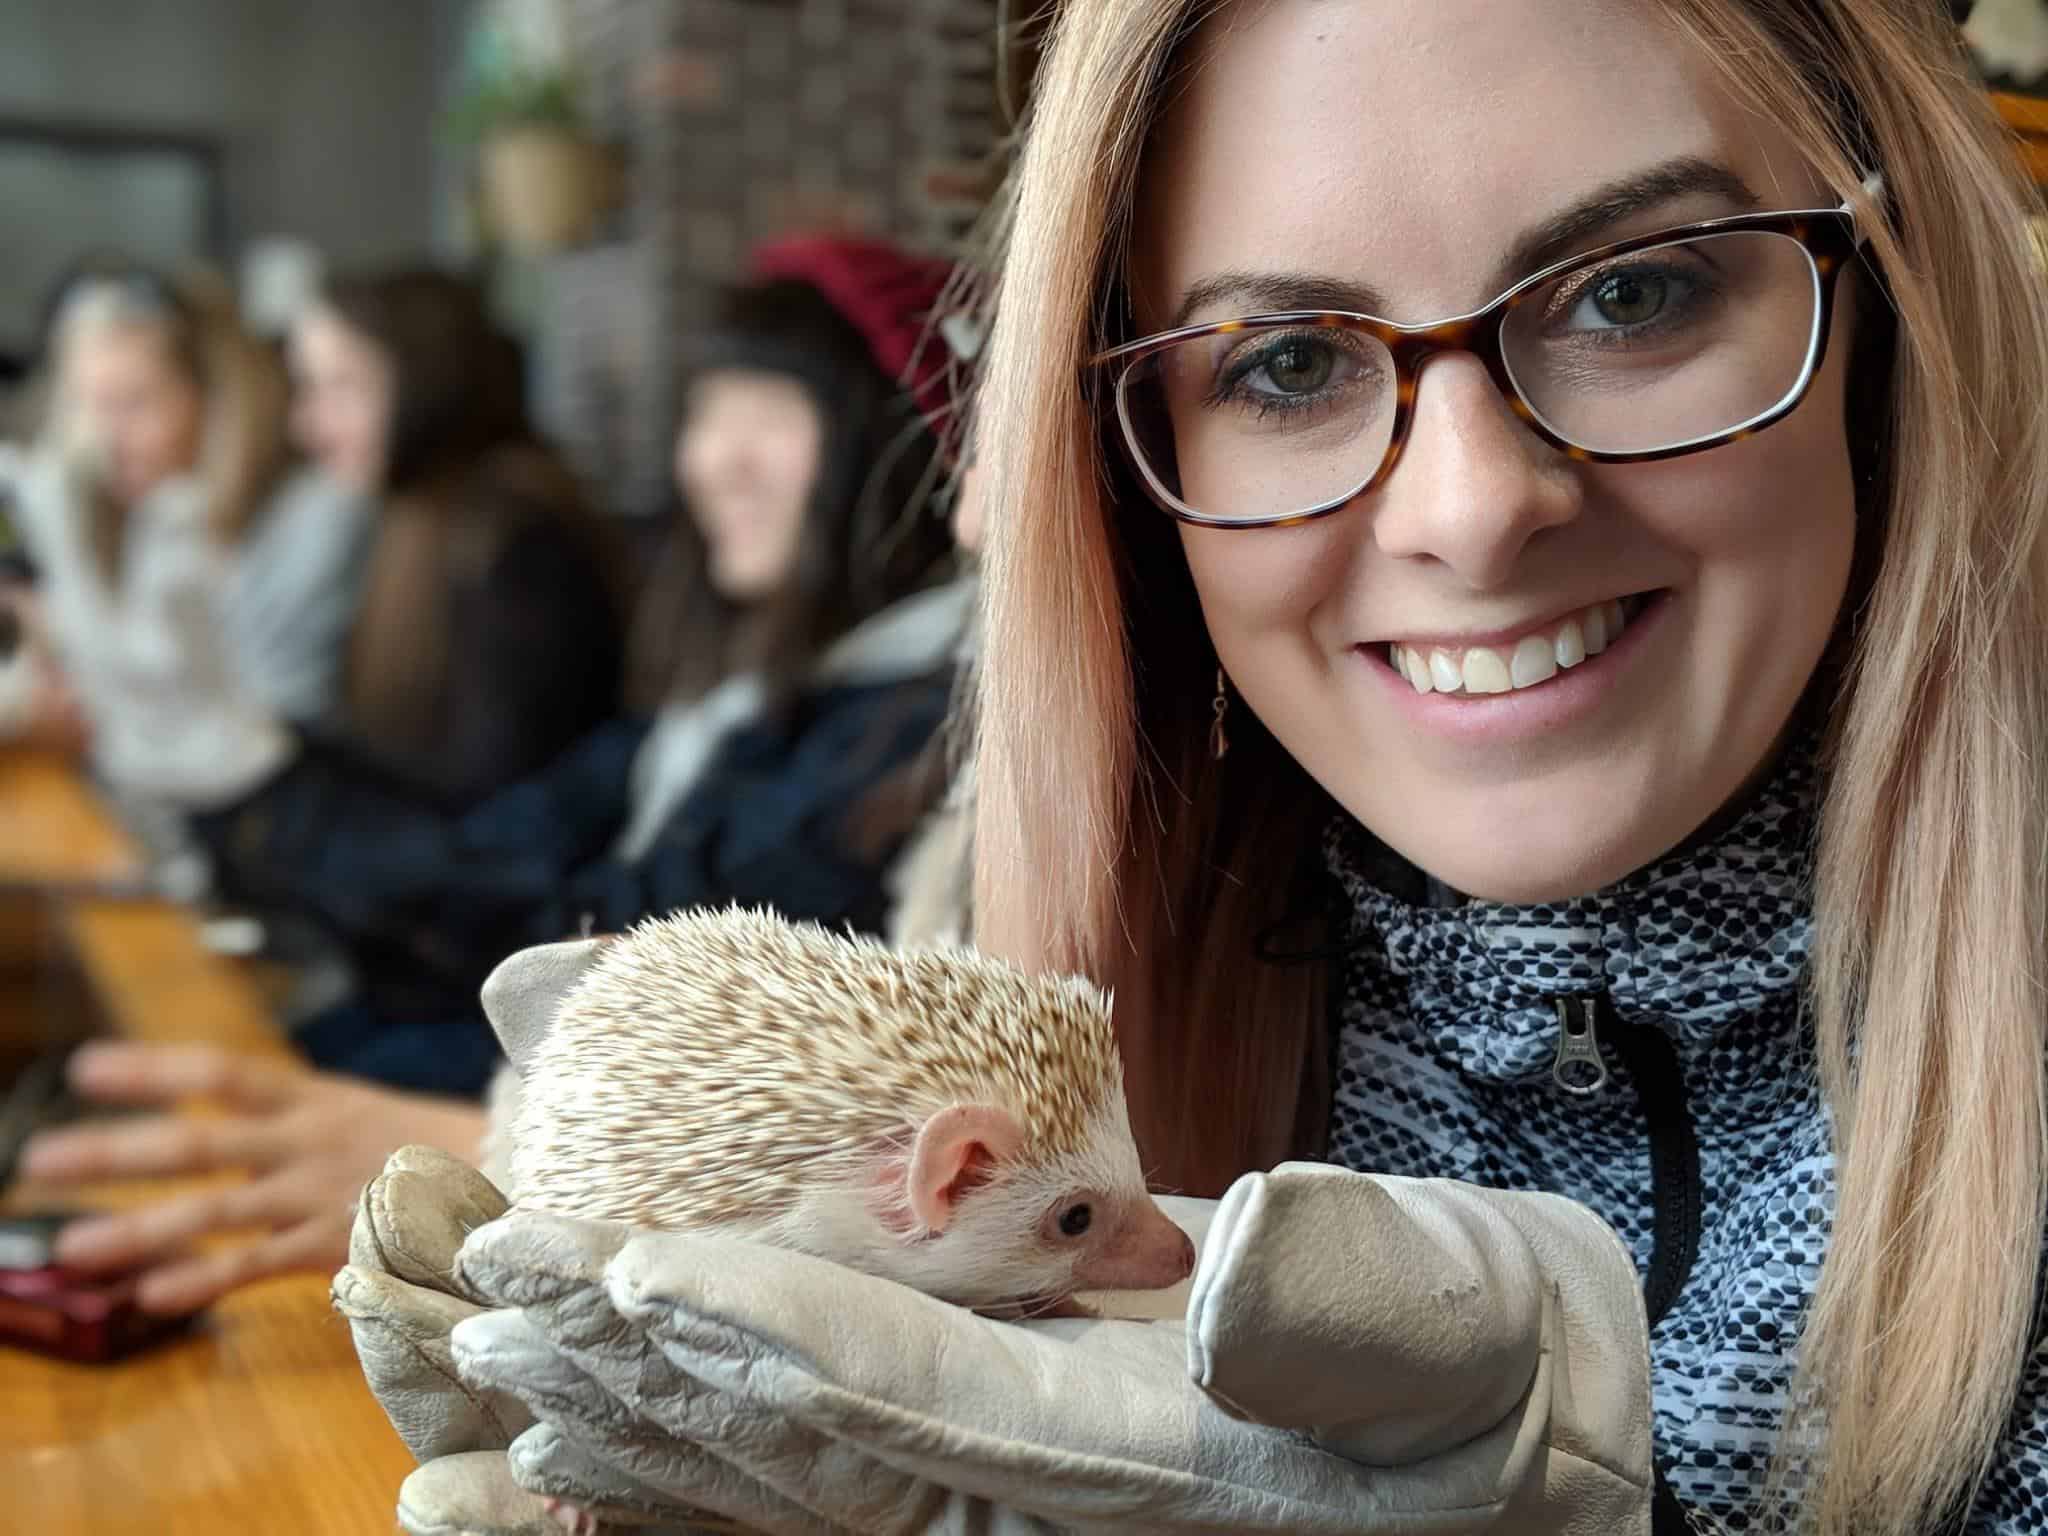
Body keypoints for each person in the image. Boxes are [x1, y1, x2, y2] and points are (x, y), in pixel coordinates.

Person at [309, 2, 2048, 1534]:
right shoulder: (1100, 937)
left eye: (1634, 289)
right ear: (1128, 477)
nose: (1468, 510)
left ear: (1893, 319)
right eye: (1285, 362)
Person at [17, 238, 980, 1307]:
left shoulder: (898, 727)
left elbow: (567, 938)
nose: (713, 460)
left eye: (766, 415)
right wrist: (241, 765)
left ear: (905, 452)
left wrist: (246, 773)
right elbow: (503, 851)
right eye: (706, 414)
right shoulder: (746, 698)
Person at [0, 263, 372, 802]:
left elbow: (264, 729)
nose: (108, 437)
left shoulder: (303, 519)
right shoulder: (98, 508)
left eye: (136, 403)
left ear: (212, 396)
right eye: (92, 403)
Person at [282, 268, 624, 803]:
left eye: (343, 385)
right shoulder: (413, 513)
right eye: (308, 387)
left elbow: (493, 796)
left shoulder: (516, 539)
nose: (307, 424)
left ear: (427, 377)